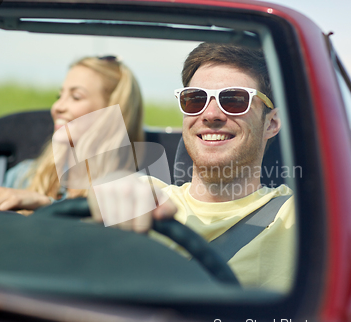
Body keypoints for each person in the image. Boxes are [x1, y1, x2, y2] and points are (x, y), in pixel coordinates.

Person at [88, 43, 295, 292]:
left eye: (234, 100)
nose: (210, 114)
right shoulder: (148, 196)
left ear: (272, 123)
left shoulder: (298, 216)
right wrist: (110, 184)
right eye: (195, 99)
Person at [0, 56, 144, 212]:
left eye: (76, 97)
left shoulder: (132, 190)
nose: (57, 107)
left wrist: (46, 205)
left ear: (110, 113)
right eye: (59, 96)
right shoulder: (23, 176)